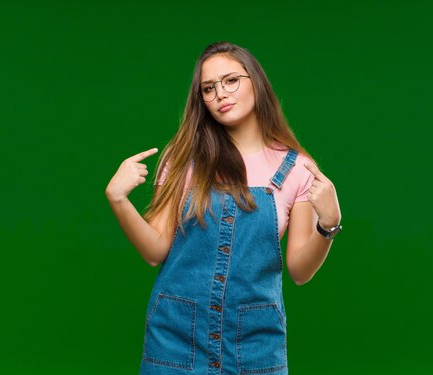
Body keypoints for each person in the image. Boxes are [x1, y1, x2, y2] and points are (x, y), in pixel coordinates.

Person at [105, 41, 342, 375]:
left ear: (256, 83)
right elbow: (155, 249)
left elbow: (300, 271)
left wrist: (329, 223)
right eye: (208, 88)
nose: (220, 94)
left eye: (231, 80)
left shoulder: (297, 169)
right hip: (176, 341)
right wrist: (118, 200)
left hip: (255, 346)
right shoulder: (183, 160)